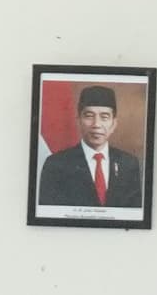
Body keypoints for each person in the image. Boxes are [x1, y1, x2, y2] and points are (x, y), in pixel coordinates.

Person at [35, 83, 142, 211]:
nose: (96, 124)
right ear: (78, 120)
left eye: (104, 117)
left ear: (114, 124)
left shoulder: (129, 164)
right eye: (89, 116)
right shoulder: (56, 164)